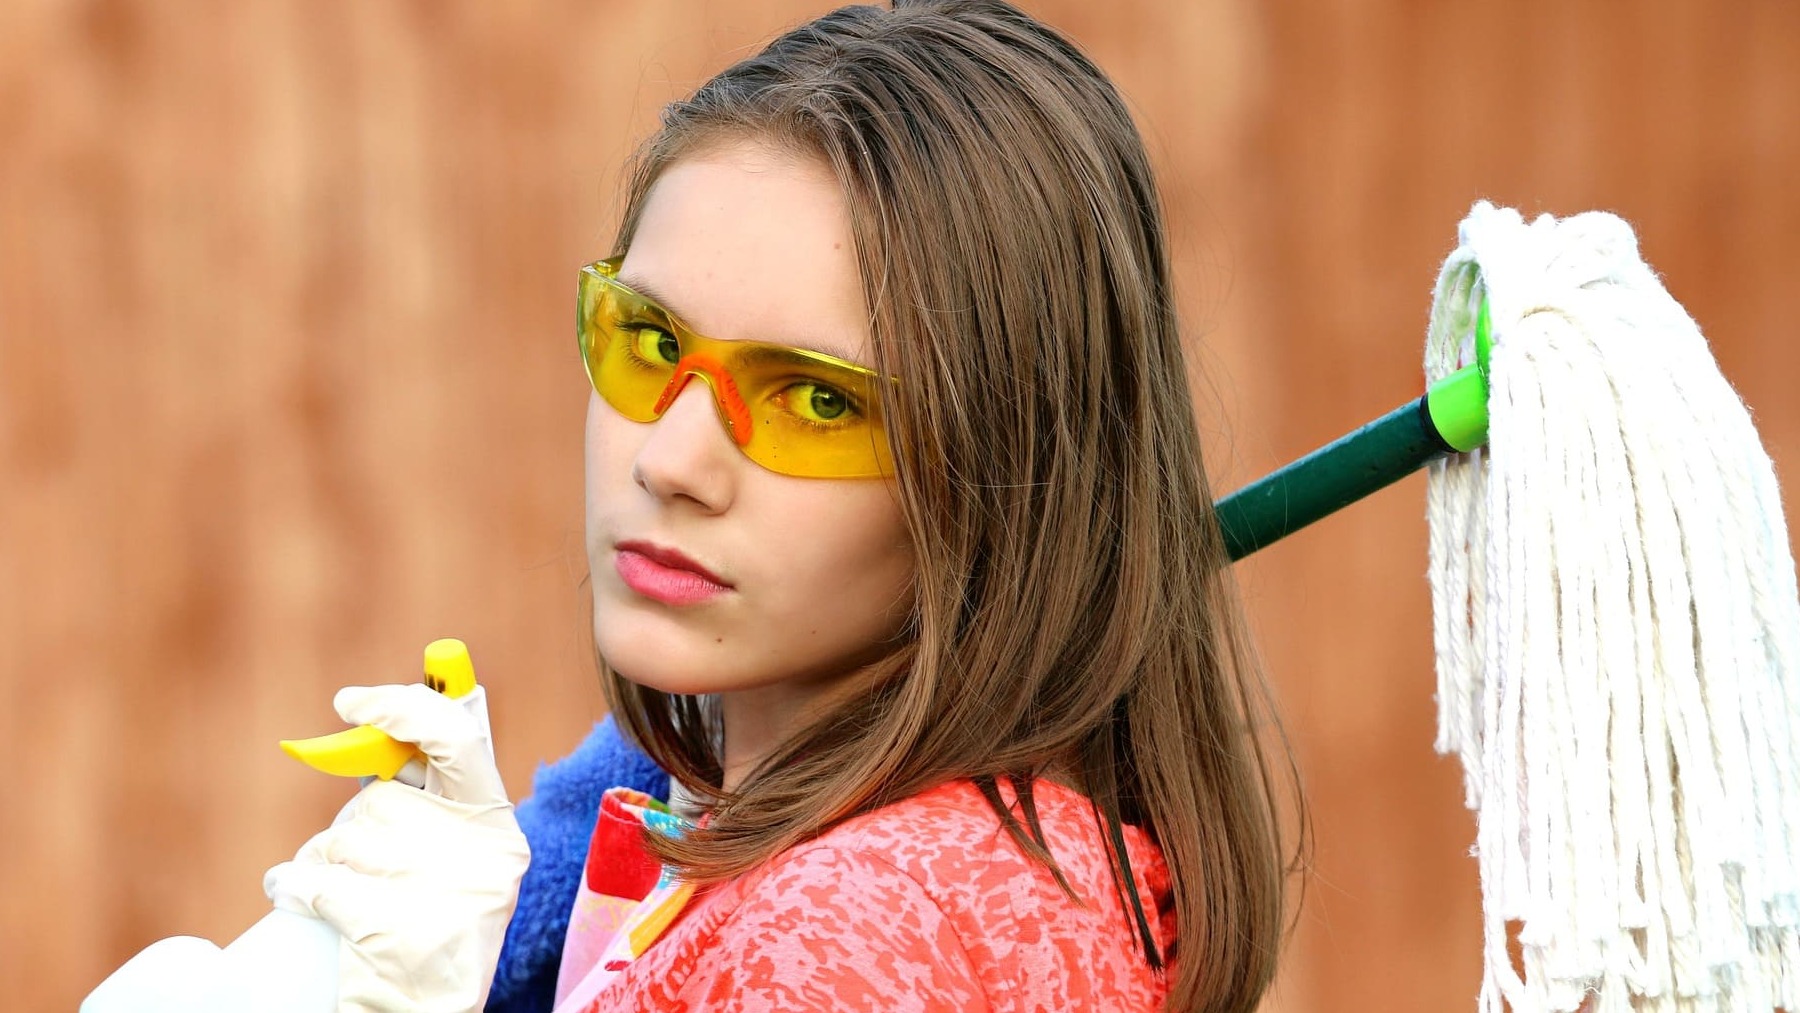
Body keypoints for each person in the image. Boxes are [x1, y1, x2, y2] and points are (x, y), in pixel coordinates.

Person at [270, 2, 1301, 1010]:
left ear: (1006, 472)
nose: (671, 462)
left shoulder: (838, 938)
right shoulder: (1011, 868)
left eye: (815, 398)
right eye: (656, 343)